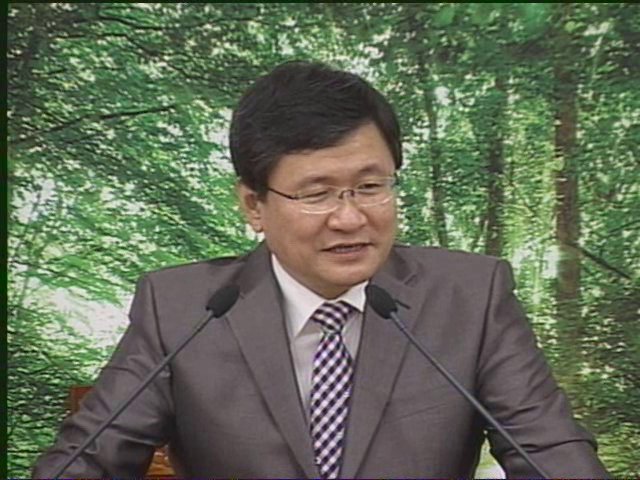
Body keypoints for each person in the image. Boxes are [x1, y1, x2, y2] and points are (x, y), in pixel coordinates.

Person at [33, 61, 608, 478]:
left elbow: (552, 453)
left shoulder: (470, 296)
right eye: (316, 194)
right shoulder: (182, 309)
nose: (351, 217)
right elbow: (87, 462)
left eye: (371, 186)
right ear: (254, 205)